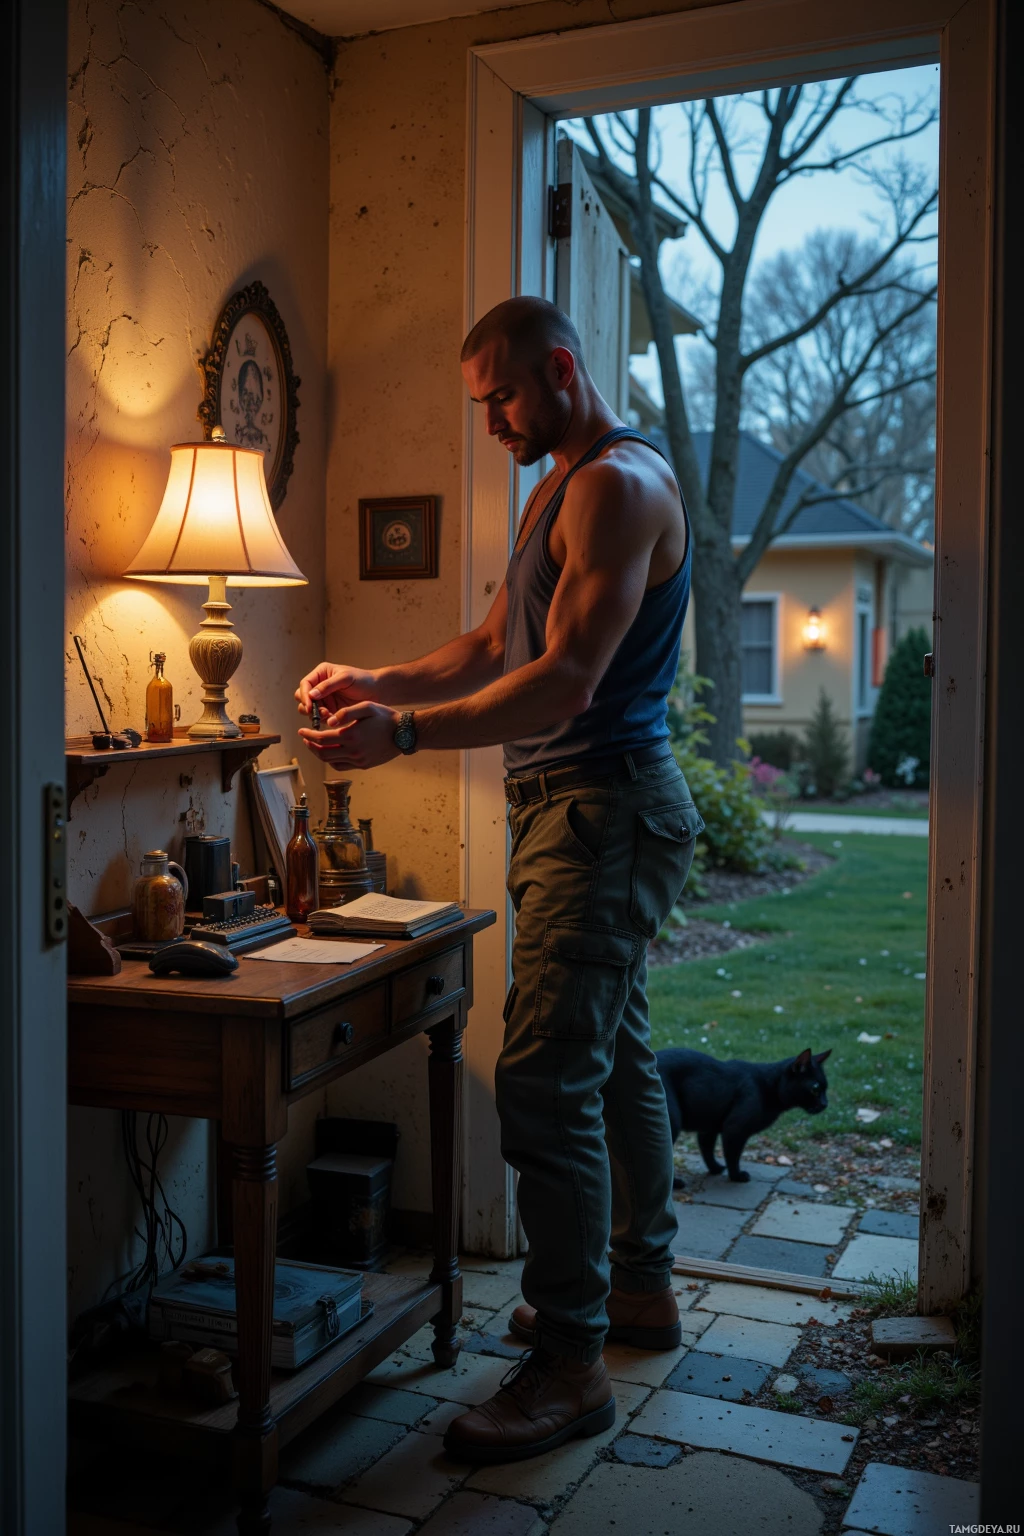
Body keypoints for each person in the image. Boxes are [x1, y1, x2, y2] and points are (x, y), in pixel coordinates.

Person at [295, 296, 703, 1464]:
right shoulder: (559, 486)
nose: (488, 422)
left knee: (540, 1078)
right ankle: (634, 1293)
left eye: (500, 398)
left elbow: (568, 680)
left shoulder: (618, 488)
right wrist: (378, 679)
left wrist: (404, 742)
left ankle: (568, 1366)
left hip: (602, 809)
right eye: (479, 402)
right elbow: (492, 648)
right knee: (610, 1056)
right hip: (575, 812)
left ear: (561, 371)